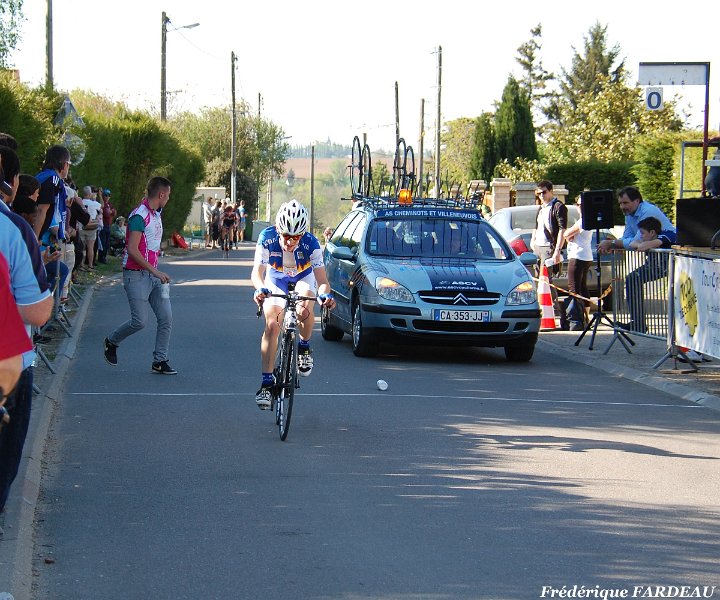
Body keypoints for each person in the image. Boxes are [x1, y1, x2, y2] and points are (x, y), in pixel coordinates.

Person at [251, 200, 336, 409]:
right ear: (278, 230)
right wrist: (260, 288)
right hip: (276, 278)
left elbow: (322, 281)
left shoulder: (311, 243)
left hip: (303, 277)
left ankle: (304, 347)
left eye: (295, 237)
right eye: (286, 236)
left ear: (302, 234)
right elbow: (257, 272)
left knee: (304, 308)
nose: (290, 241)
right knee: (272, 325)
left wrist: (325, 295)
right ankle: (266, 383)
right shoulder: (267, 237)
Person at [103, 176, 176, 375]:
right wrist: (155, 271)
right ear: (161, 194)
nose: (169, 199)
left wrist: (156, 270)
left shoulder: (156, 213)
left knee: (166, 318)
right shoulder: (138, 216)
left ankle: (159, 360)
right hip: (135, 275)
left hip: (154, 276)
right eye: (168, 195)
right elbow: (133, 250)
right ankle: (111, 341)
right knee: (140, 321)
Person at [598, 187, 676, 333]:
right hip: (655, 257)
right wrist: (616, 243)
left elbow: (636, 242)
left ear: (637, 201)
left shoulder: (647, 212)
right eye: (620, 203)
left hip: (666, 257)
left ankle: (639, 324)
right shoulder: (630, 213)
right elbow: (628, 238)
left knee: (633, 279)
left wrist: (612, 243)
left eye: (625, 203)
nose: (622, 207)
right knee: (633, 279)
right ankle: (637, 323)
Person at [561, 195, 593, 331]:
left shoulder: (582, 221)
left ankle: (578, 319)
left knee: (573, 288)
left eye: (582, 205)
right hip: (586, 255)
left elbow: (566, 234)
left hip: (577, 256)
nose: (579, 207)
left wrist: (569, 236)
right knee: (583, 287)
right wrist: (570, 236)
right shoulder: (588, 219)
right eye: (578, 204)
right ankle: (585, 317)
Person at [530, 180, 568, 288]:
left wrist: (557, 250)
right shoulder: (541, 207)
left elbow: (562, 229)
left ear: (551, 191)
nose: (541, 195)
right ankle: (544, 299)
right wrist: (533, 241)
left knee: (545, 279)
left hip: (548, 247)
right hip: (538, 247)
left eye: (544, 192)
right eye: (539, 193)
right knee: (539, 280)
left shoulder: (558, 206)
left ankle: (552, 300)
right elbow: (536, 226)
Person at [79, 185, 102, 269]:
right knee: (90, 247)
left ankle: (81, 264)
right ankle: (90, 265)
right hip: (92, 227)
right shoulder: (94, 204)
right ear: (90, 194)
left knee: (82, 247)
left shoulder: (80, 202)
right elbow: (101, 208)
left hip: (81, 226)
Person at [98, 188, 117, 264]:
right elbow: (106, 213)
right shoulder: (102, 204)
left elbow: (114, 212)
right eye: (106, 195)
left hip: (108, 225)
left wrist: (111, 212)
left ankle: (104, 257)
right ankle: (101, 257)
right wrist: (110, 212)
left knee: (107, 243)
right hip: (103, 225)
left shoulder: (109, 204)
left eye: (109, 195)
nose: (107, 197)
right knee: (102, 242)